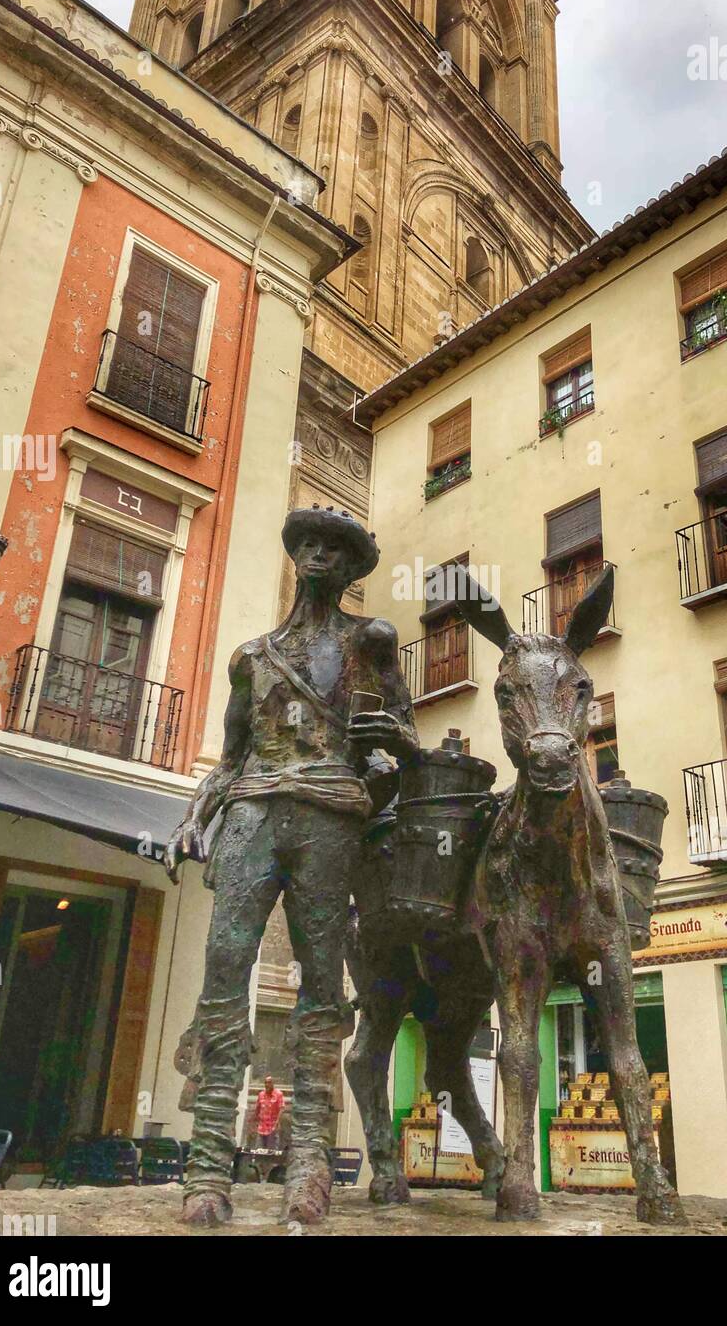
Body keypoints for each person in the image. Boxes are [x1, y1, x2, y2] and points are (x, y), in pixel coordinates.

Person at [165, 506, 419, 1227]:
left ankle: (310, 1163)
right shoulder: (249, 656)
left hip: (330, 815)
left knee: (320, 982)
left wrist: (386, 743)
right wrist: (192, 818)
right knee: (223, 969)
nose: (316, 555)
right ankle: (207, 1166)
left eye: (332, 549)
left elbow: (405, 733)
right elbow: (231, 756)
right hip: (250, 811)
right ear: (294, 555)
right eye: (306, 544)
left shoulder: (370, 641)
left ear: (349, 568)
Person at [254, 1075, 284, 1150]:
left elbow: (282, 1108)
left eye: (269, 1083)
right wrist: (254, 1121)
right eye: (266, 1083)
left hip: (272, 1127)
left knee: (271, 1151)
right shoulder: (261, 1094)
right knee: (259, 1150)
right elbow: (257, 1108)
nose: (267, 1085)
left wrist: (278, 1121)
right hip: (261, 1127)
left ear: (273, 1083)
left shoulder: (278, 1094)